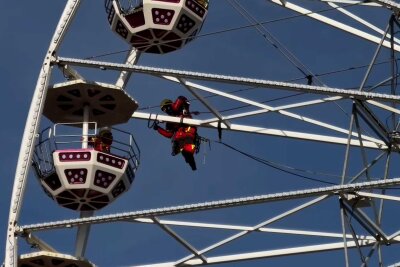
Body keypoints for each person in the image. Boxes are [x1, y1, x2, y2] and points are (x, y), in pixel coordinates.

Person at [154, 96, 198, 170]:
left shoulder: (178, 108)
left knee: (188, 148)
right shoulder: (169, 121)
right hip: (180, 137)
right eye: (163, 110)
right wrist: (158, 128)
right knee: (184, 151)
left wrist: (184, 108)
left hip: (188, 132)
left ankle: (191, 161)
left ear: (169, 105)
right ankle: (191, 162)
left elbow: (181, 98)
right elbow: (169, 134)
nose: (165, 111)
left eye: (165, 108)